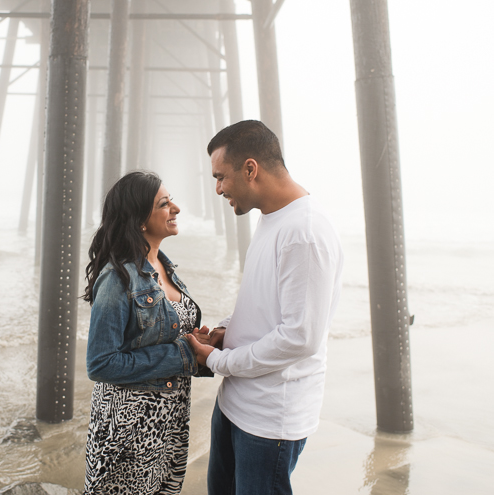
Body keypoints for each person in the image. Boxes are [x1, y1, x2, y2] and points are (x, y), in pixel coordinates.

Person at [186, 120, 344, 495]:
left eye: (221, 177)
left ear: (251, 169)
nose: (218, 188)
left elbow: (299, 338)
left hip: (270, 420)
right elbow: (263, 302)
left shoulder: (304, 232)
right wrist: (228, 330)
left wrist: (217, 361)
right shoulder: (272, 217)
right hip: (236, 405)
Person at [82, 171, 208, 495]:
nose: (176, 208)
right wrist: (183, 355)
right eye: (165, 204)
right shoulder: (117, 279)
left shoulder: (166, 268)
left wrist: (203, 343)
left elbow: (166, 334)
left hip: (169, 417)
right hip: (130, 427)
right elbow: (101, 363)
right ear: (140, 220)